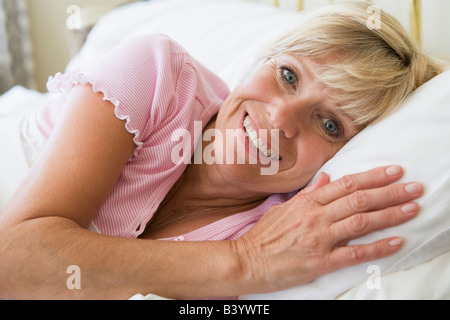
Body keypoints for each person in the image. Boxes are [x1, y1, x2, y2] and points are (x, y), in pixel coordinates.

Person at [0, 2, 444, 299]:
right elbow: (14, 259)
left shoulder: (283, 232)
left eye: (329, 125)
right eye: (288, 75)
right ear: (260, 62)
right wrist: (239, 261)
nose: (280, 119)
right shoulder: (158, 75)